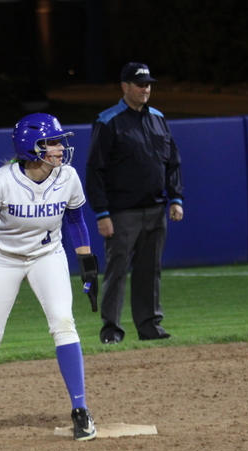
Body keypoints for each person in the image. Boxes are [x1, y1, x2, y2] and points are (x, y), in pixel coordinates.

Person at [0, 113, 98, 442]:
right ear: (33, 148)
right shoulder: (1, 180)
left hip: (48, 256)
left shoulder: (68, 177)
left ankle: (81, 410)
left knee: (63, 322)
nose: (61, 148)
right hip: (3, 259)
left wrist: (87, 263)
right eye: (53, 142)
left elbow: (75, 221)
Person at [85, 62, 184, 344]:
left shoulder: (158, 118)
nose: (145, 89)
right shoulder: (108, 121)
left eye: (148, 84)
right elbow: (94, 170)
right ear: (125, 87)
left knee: (150, 271)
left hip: (156, 209)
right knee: (117, 272)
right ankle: (112, 330)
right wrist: (102, 213)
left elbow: (173, 162)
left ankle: (149, 325)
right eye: (140, 84)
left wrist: (175, 197)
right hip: (121, 213)